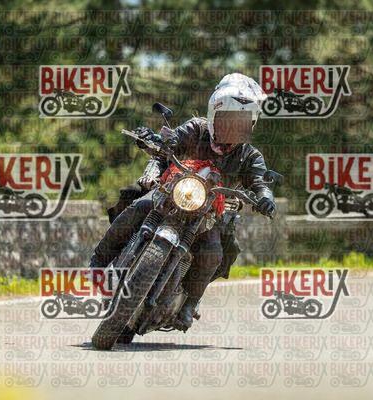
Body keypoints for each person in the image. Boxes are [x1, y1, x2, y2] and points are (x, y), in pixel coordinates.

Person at [89, 73, 276, 329]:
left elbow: (259, 181)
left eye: (240, 123)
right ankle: (98, 261)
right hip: (173, 193)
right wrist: (160, 140)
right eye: (228, 120)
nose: (233, 128)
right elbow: (175, 138)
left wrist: (265, 197)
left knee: (214, 252)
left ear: (251, 125)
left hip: (208, 213)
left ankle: (190, 303)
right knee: (139, 205)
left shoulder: (250, 156)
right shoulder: (197, 128)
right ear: (214, 114)